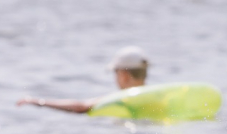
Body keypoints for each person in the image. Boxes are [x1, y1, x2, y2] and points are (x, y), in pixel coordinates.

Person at [16, 46, 149, 114]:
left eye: (115, 72)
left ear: (123, 75)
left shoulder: (121, 99)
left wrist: (38, 102)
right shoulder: (155, 95)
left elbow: (81, 107)